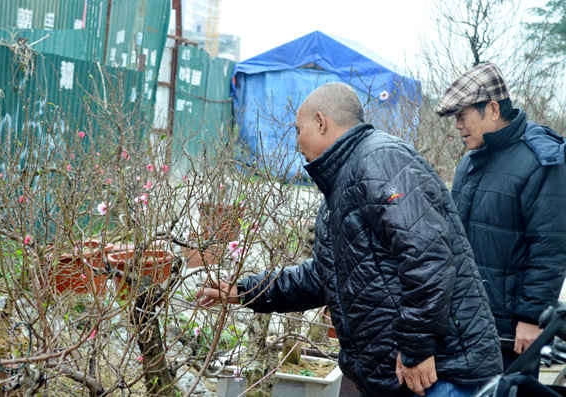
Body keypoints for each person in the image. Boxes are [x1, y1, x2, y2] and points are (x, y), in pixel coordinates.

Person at [198, 82, 502, 397]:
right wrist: (246, 291)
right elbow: (323, 275)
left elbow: (429, 260)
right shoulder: (343, 180)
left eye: (298, 129)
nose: (296, 141)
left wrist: (416, 348)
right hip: (403, 377)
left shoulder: (380, 161)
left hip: (438, 374)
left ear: (321, 121)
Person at [436, 62, 566, 374]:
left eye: (462, 116)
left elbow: (551, 246)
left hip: (510, 333)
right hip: (466, 325)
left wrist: (531, 317)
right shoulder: (470, 161)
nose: (457, 126)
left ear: (492, 109)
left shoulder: (541, 159)